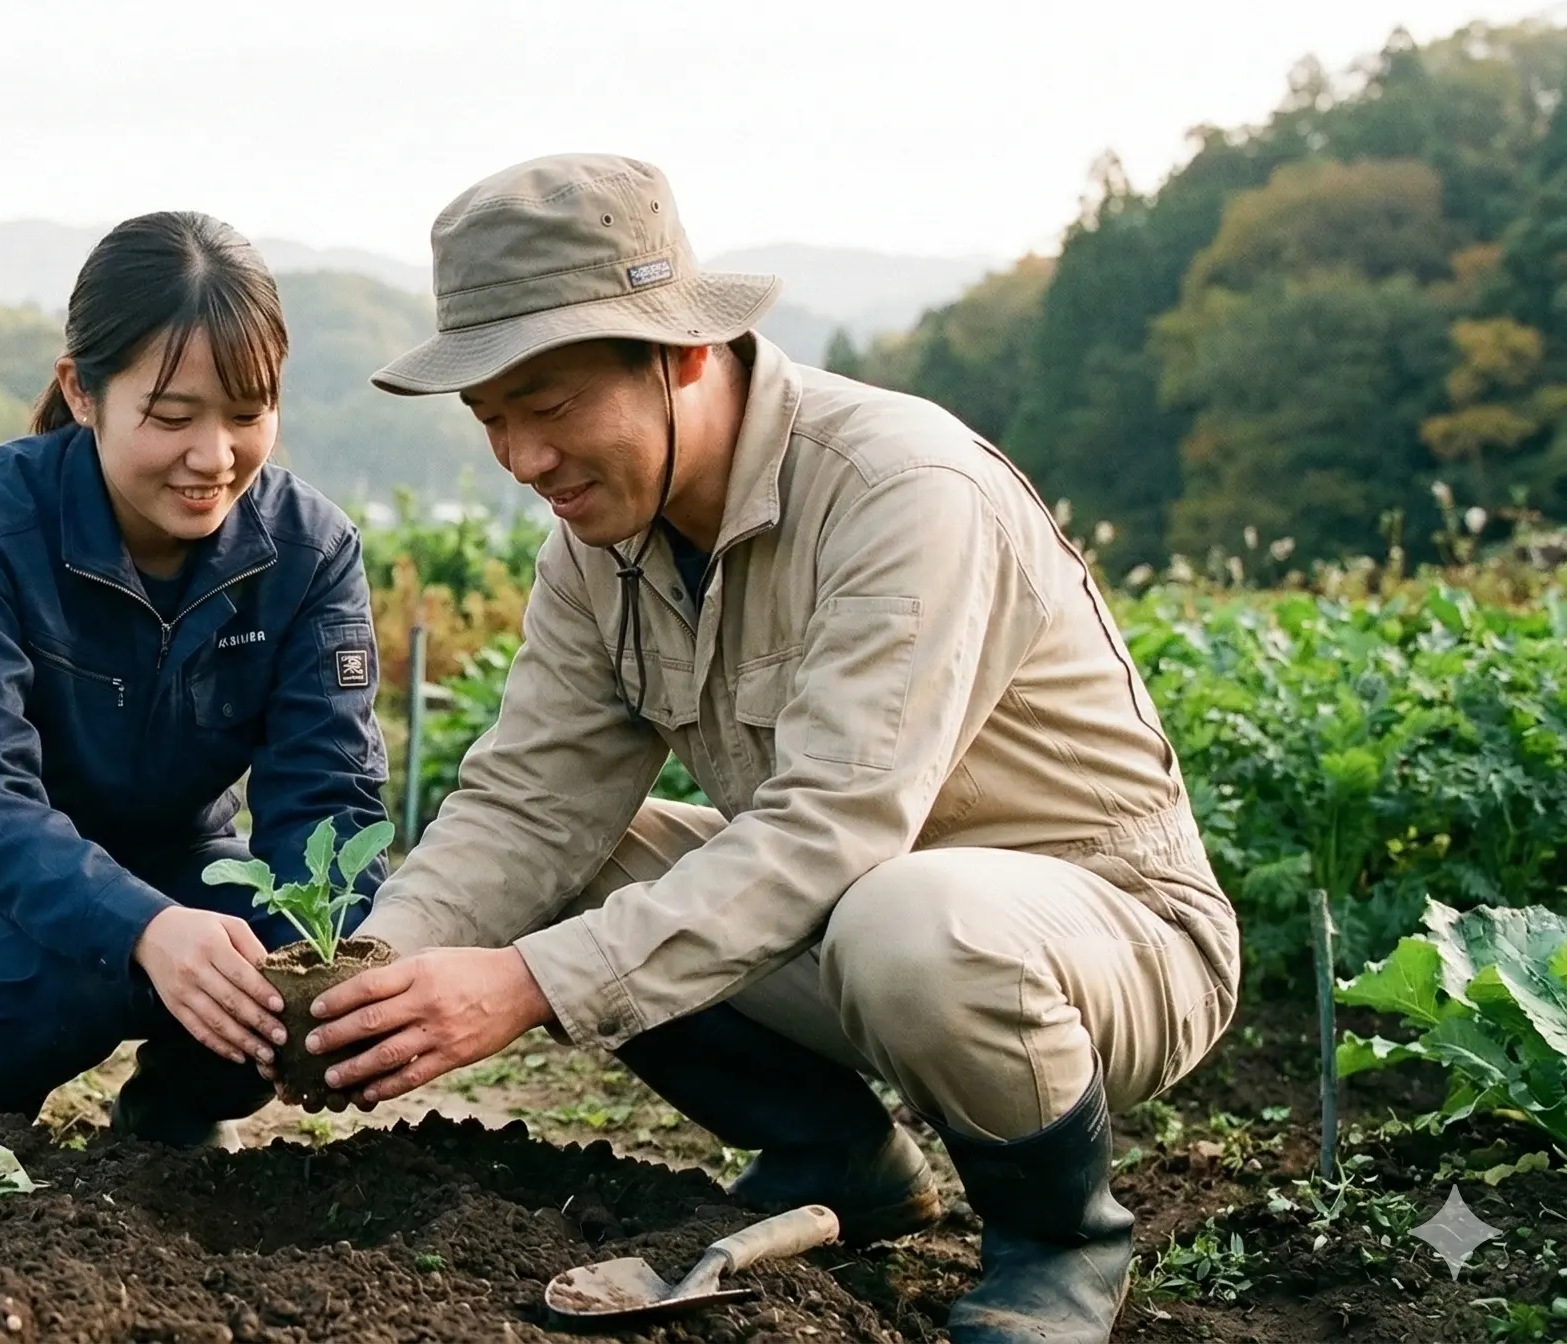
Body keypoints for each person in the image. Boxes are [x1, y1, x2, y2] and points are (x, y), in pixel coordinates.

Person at [284, 154, 1239, 1344]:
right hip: (854, 939)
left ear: (681, 352)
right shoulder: (602, 546)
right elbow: (531, 803)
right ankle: (840, 1158)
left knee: (913, 915)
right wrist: (374, 969)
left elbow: (836, 829)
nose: (525, 461)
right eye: (491, 419)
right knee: (577, 865)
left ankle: (1059, 1239)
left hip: (1101, 939)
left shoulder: (902, 488)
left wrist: (528, 986)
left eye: (553, 402)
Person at [0, 211, 391, 1149]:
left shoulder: (309, 552)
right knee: (64, 969)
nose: (214, 457)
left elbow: (326, 793)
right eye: (172, 418)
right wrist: (142, 925)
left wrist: (319, 973)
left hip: (183, 862)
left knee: (269, 965)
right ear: (81, 394)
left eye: (247, 414)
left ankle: (175, 1118)